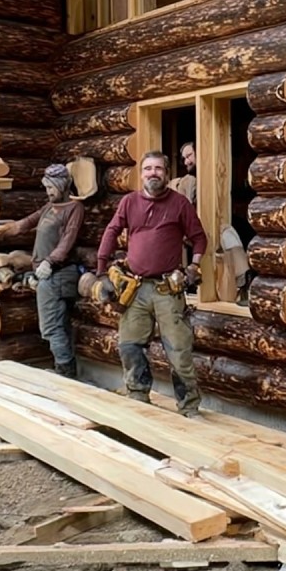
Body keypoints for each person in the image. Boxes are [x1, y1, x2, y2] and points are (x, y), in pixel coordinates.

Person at [97, 151, 208, 417]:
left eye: (158, 168)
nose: (153, 173)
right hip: (135, 289)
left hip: (167, 290)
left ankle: (189, 407)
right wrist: (101, 271)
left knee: (179, 350)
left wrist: (194, 266)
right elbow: (112, 231)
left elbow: (199, 238)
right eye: (147, 168)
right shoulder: (129, 202)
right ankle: (138, 398)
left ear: (167, 173)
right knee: (130, 346)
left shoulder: (179, 204)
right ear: (141, 173)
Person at [0, 165, 83, 378]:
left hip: (58, 273)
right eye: (46, 187)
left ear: (62, 185)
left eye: (51, 187)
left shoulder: (74, 208)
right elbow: (23, 225)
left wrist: (50, 261)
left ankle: (66, 373)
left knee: (51, 327)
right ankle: (66, 370)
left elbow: (68, 240)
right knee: (59, 325)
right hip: (48, 274)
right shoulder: (49, 207)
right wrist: (0, 231)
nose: (48, 191)